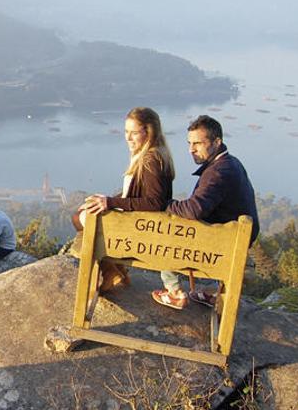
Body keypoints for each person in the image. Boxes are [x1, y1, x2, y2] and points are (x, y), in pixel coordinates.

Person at [152, 115, 259, 310]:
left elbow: (194, 209)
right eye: (189, 143)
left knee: (167, 233)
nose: (191, 149)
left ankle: (174, 292)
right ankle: (213, 294)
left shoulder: (218, 172)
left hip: (224, 244)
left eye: (198, 143)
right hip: (235, 239)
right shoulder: (230, 163)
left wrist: (165, 204)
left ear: (217, 142)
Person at [73, 107, 176, 291]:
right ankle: (116, 270)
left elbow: (155, 202)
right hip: (142, 222)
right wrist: (105, 200)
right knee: (85, 210)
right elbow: (136, 194)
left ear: (149, 132)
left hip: (141, 227)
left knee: (80, 219)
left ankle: (111, 270)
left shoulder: (150, 159)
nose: (128, 138)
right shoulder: (154, 153)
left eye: (134, 132)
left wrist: (110, 202)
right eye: (126, 131)